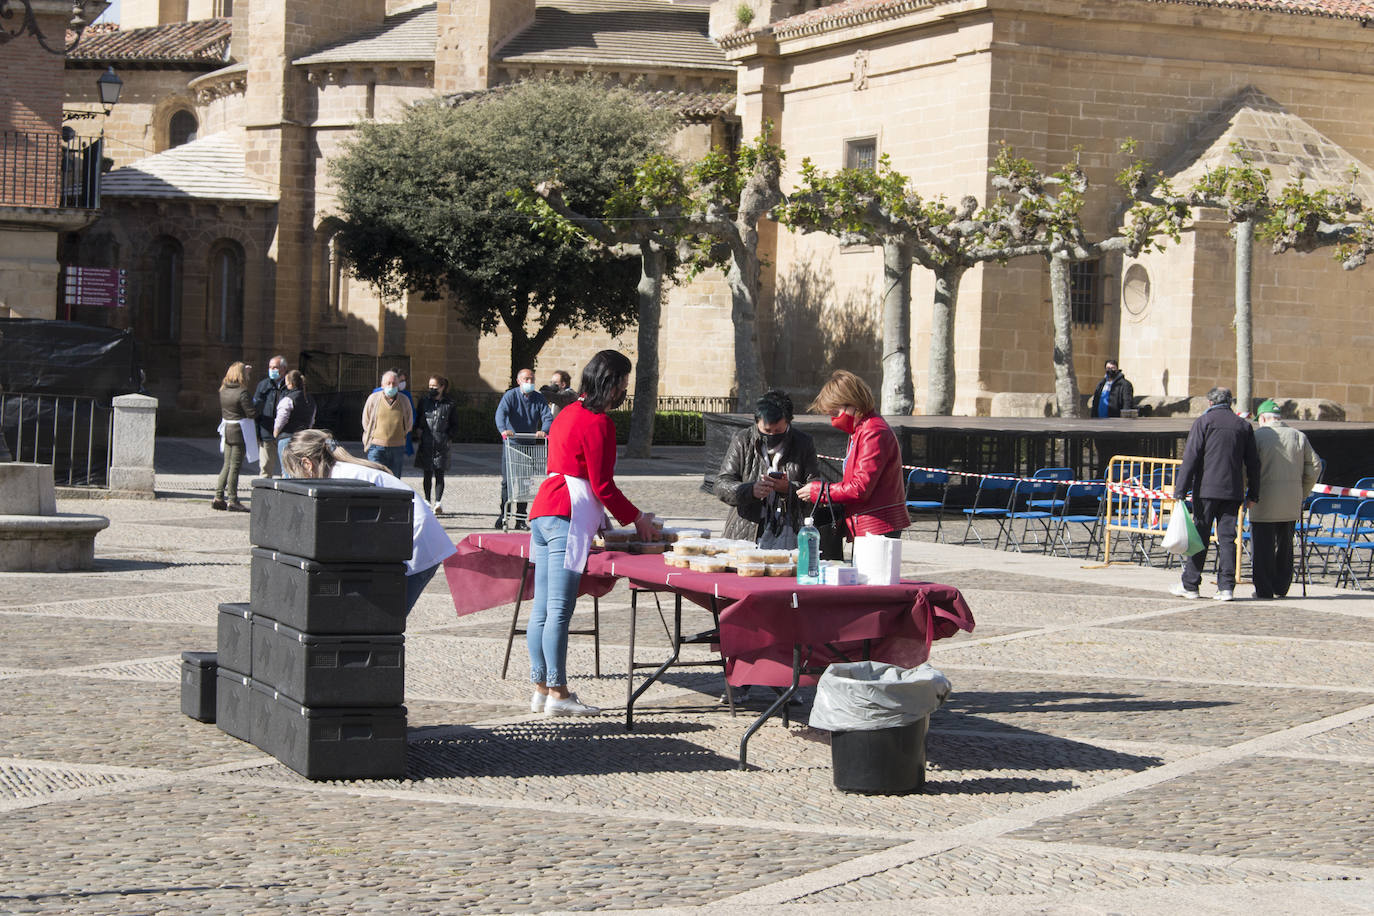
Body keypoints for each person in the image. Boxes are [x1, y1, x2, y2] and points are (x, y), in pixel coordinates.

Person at [526, 350, 659, 716]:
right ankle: (558, 692)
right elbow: (602, 485)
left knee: (541, 609)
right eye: (623, 384)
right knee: (558, 610)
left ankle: (540, 687)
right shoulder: (599, 423)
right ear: (611, 383)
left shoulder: (566, 413)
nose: (624, 392)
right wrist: (637, 519)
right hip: (567, 513)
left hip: (544, 510)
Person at [282, 430, 455, 614]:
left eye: (295, 474)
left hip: (417, 543)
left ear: (307, 464)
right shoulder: (338, 474)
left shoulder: (342, 480)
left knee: (382, 619)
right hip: (409, 539)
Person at [1170, 386, 1260, 602]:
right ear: (1230, 402)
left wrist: (1180, 490)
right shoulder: (1243, 425)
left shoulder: (1204, 422)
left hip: (1206, 490)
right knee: (1228, 538)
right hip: (1233, 491)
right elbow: (1253, 463)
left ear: (1210, 402)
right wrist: (1254, 493)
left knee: (1200, 536)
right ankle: (1227, 587)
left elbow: (1191, 457)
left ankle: (1191, 584)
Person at [798, 370, 909, 541]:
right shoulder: (862, 430)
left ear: (853, 404)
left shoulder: (873, 431)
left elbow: (859, 488)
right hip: (871, 521)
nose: (833, 420)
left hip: (875, 524)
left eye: (835, 413)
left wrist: (820, 492)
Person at [714, 389, 822, 549]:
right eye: (766, 431)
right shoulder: (743, 440)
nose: (772, 435)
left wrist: (789, 489)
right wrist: (750, 490)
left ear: (788, 422)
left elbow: (815, 490)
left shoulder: (803, 443)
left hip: (788, 533)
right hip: (745, 532)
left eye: (778, 431)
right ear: (757, 422)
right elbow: (721, 484)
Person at [1250, 398, 1321, 599]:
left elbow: (1247, 468)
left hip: (1263, 500)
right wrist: (1302, 491)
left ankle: (1264, 590)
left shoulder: (1257, 437)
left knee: (1262, 548)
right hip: (1291, 501)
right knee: (1285, 546)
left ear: (1263, 418)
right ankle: (1281, 587)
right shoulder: (1299, 436)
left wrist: (1247, 491)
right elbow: (1315, 466)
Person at [494, 367, 553, 528]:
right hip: (512, 445)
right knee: (507, 482)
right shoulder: (510, 396)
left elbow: (547, 416)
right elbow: (501, 414)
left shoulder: (538, 398)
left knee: (525, 482)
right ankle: (503, 516)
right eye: (526, 379)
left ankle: (520, 518)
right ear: (518, 381)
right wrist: (503, 430)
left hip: (529, 445)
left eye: (532, 379)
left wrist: (544, 430)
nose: (529, 382)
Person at [215, 361, 257, 512]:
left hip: (227, 429)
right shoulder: (242, 392)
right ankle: (233, 499)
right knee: (235, 466)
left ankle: (219, 496)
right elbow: (251, 413)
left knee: (227, 464)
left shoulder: (223, 390)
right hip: (239, 431)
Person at [414, 375, 455, 514]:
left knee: (439, 473)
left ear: (442, 387)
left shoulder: (449, 404)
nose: (431, 389)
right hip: (426, 440)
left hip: (441, 442)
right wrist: (418, 430)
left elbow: (454, 423)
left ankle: (438, 501)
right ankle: (426, 499)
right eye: (430, 386)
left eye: (434, 386)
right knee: (427, 472)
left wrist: (448, 436)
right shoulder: (424, 401)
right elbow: (418, 417)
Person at [362, 369, 413, 478]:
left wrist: (401, 434)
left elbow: (409, 421)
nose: (391, 386)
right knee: (376, 479)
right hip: (376, 447)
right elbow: (366, 420)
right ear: (382, 384)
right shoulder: (373, 399)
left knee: (395, 480)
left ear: (398, 385)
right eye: (388, 383)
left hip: (397, 447)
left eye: (394, 383)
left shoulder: (404, 400)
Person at [272, 369, 317, 477]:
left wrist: (276, 432)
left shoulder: (288, 399)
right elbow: (312, 419)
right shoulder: (310, 399)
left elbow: (281, 418)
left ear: (290, 383)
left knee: (287, 470)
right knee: (300, 470)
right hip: (303, 438)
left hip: (287, 437)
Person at [252, 354, 287, 477]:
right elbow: (255, 408)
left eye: (275, 367)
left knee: (287, 468)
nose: (272, 370)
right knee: (265, 467)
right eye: (270, 367)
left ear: (283, 369)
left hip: (284, 432)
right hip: (266, 430)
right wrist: (257, 431)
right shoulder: (264, 385)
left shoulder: (289, 385)